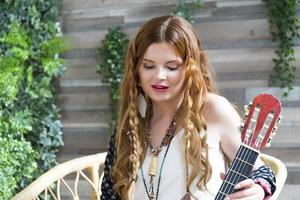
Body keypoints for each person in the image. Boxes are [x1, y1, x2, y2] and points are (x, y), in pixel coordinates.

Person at [100, 15, 276, 200]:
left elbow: (262, 172)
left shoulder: (213, 109)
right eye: (149, 66)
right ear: (136, 69)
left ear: (190, 68)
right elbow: (109, 193)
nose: (159, 76)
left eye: (172, 67)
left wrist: (257, 189)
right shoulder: (132, 120)